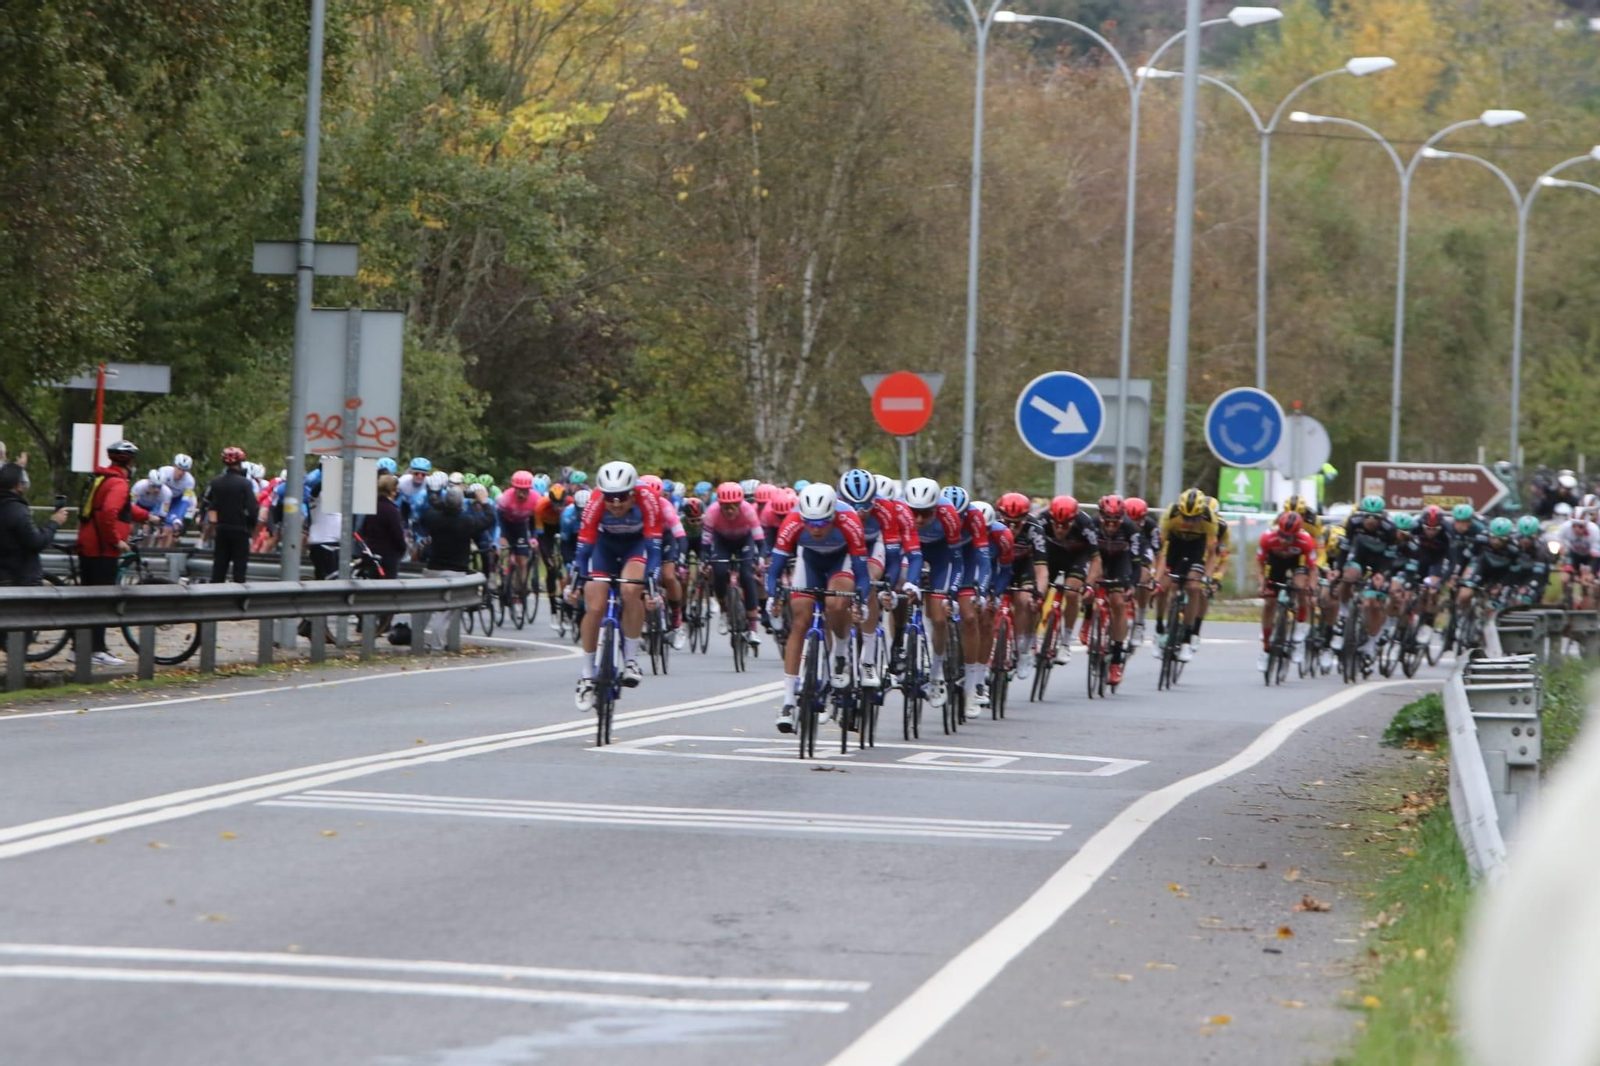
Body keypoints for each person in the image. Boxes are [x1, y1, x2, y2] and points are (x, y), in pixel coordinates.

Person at [76, 439, 150, 665]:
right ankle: (97, 649)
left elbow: (122, 507)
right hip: (103, 549)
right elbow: (110, 511)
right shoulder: (119, 483)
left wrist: (148, 516)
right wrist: (116, 540)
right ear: (129, 462)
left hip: (88, 543)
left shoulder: (103, 478)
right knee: (102, 601)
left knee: (86, 601)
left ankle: (78, 649)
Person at [417, 486, 494, 650]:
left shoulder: (434, 518)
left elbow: (425, 514)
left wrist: (441, 500)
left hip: (433, 568)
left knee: (426, 606)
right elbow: (489, 519)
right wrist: (484, 502)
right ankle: (436, 644)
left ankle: (417, 639)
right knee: (446, 611)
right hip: (454, 572)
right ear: (461, 506)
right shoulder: (466, 522)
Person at [0, 461, 68, 586]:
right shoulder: (18, 511)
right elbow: (36, 542)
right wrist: (54, 523)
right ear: (18, 486)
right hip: (20, 580)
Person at [205, 447, 257, 582]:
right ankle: (238, 601)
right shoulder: (245, 483)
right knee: (239, 571)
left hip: (221, 530)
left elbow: (209, 505)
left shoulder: (216, 482)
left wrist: (213, 525)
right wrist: (252, 525)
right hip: (240, 529)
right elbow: (252, 508)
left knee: (219, 568)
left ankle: (214, 599)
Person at [363, 474, 408, 581]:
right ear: (392, 491)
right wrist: (402, 549)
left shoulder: (372, 507)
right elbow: (397, 535)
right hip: (388, 557)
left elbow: (364, 529)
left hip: (372, 555)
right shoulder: (392, 510)